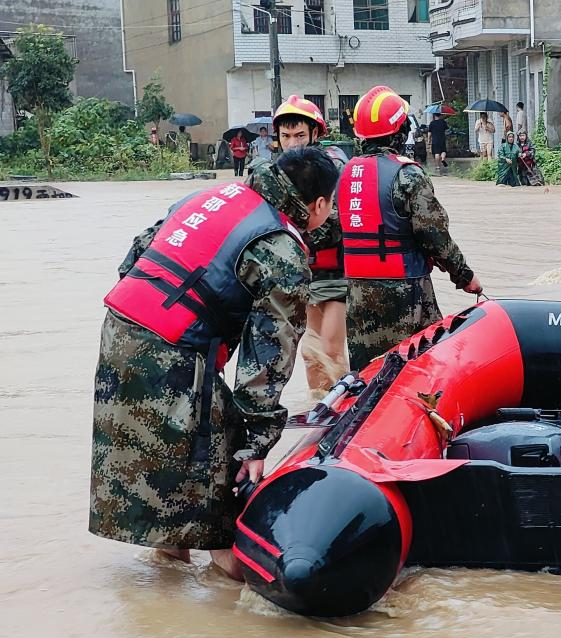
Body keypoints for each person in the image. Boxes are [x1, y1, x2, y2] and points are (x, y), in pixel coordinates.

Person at [90, 147, 340, 579]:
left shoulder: (212, 197)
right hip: (172, 353)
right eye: (329, 205)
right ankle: (230, 611)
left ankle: (165, 586)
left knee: (170, 476)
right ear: (318, 205)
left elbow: (134, 260)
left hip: (120, 334)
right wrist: (256, 444)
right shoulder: (281, 248)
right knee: (218, 491)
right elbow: (270, 356)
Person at [341, 85, 483, 371]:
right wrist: (465, 276)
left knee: (367, 374)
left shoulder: (344, 173)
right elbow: (435, 237)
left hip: (356, 292)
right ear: (401, 131)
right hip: (405, 291)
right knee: (420, 367)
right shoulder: (407, 175)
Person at [250, 95, 350, 396]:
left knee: (330, 345)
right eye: (286, 136)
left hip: (335, 271)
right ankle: (319, 407)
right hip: (300, 273)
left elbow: (337, 218)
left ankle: (343, 407)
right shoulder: (270, 174)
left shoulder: (332, 167)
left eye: (300, 135)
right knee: (310, 350)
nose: (293, 143)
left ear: (316, 134)